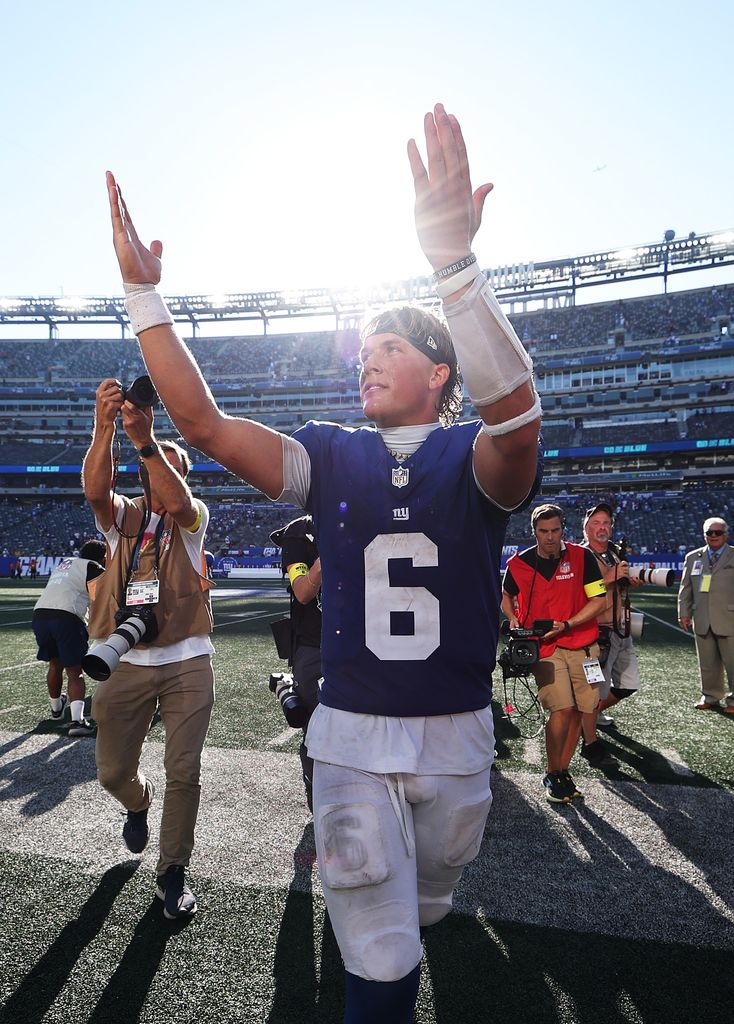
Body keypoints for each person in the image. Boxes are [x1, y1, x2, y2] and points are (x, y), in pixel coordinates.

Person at [106, 103, 541, 1022]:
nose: (369, 360)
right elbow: (207, 428)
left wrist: (455, 271)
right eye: (366, 347)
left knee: (423, 910)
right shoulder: (328, 454)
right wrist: (146, 299)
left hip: (458, 738)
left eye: (393, 348)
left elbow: (517, 418)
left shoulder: (474, 454)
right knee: (378, 951)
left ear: (439, 374)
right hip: (348, 735)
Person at [82, 380, 215, 919]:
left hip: (187, 656)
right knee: (112, 772)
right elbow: (94, 493)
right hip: (125, 659)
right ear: (143, 475)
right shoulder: (125, 519)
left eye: (174, 462)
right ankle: (137, 802)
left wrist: (146, 441)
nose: (170, 469)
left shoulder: (193, 517)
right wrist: (105, 425)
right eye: (162, 462)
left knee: (184, 769)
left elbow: (180, 503)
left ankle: (172, 872)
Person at [501, 503, 607, 803]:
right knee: (561, 708)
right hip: (545, 648)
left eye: (555, 530)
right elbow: (505, 596)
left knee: (579, 710)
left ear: (563, 529)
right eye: (543, 531)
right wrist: (512, 618)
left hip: (583, 645)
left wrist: (568, 623)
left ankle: (563, 770)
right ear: (534, 530)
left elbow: (599, 600)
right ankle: (552, 771)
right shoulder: (519, 564)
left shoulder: (582, 556)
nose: (550, 537)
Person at [580, 502, 644, 765]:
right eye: (596, 523)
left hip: (620, 629)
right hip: (596, 634)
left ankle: (589, 719)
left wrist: (627, 581)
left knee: (628, 684)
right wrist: (610, 576)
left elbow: (615, 584)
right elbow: (579, 591)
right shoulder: (579, 555)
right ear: (585, 528)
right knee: (593, 690)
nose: (602, 527)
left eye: (606, 522)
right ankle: (590, 743)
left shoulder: (613, 553)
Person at [269, 514, 322, 811]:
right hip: (315, 646)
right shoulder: (300, 534)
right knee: (315, 727)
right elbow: (302, 590)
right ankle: (318, 800)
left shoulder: (360, 515)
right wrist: (329, 555)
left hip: (362, 643)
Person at [31, 539, 106, 736]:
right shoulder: (93, 566)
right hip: (67, 617)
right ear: (101, 557)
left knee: (55, 664)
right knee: (75, 671)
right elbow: (105, 596)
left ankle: (56, 708)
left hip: (40, 615)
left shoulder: (65, 562)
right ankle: (77, 722)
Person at [678, 517, 734, 713]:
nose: (713, 536)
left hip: (729, 618)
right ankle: (710, 696)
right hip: (702, 618)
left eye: (717, 532)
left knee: (733, 661)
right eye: (710, 533)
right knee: (707, 663)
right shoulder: (693, 557)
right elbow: (685, 588)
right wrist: (683, 613)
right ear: (704, 535)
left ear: (726, 534)